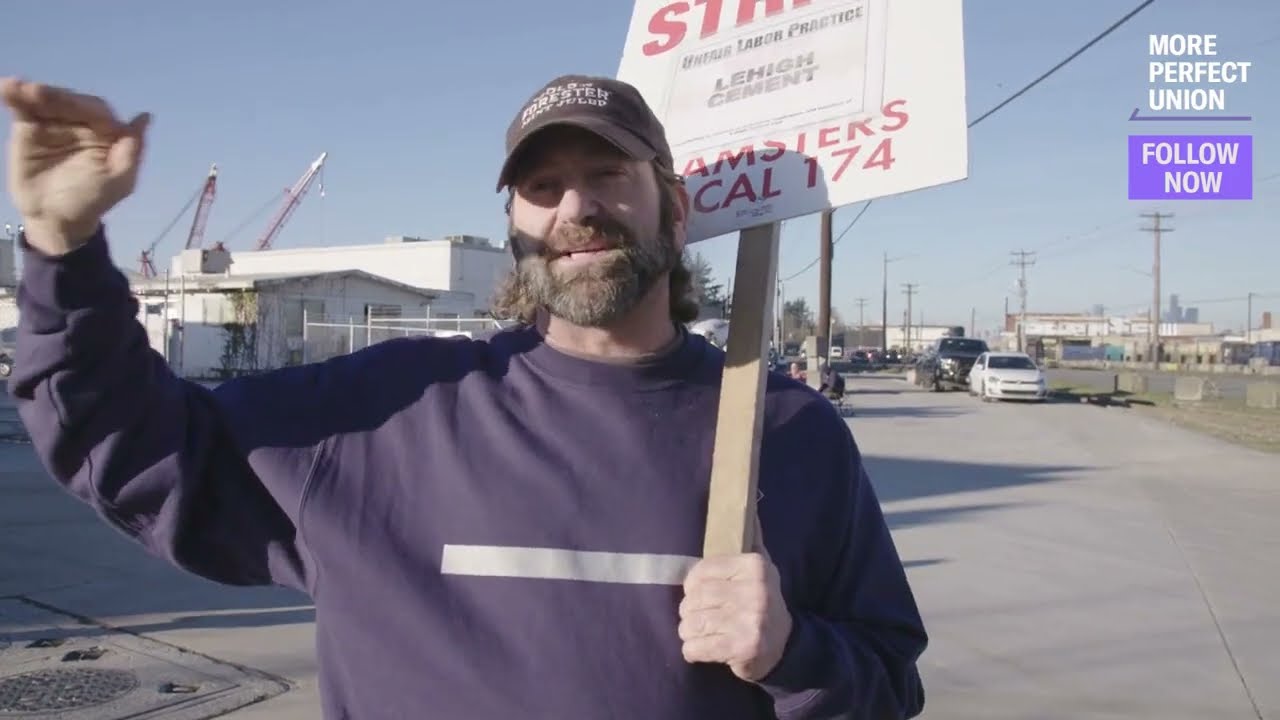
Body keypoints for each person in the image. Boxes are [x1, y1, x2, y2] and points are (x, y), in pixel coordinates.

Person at [2, 74, 927, 719]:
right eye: (542, 184)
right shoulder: (384, 414)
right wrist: (60, 243)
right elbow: (127, 451)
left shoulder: (787, 431)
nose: (576, 206)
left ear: (674, 208)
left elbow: (884, 689)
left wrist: (791, 653)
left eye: (608, 173)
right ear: (516, 224)